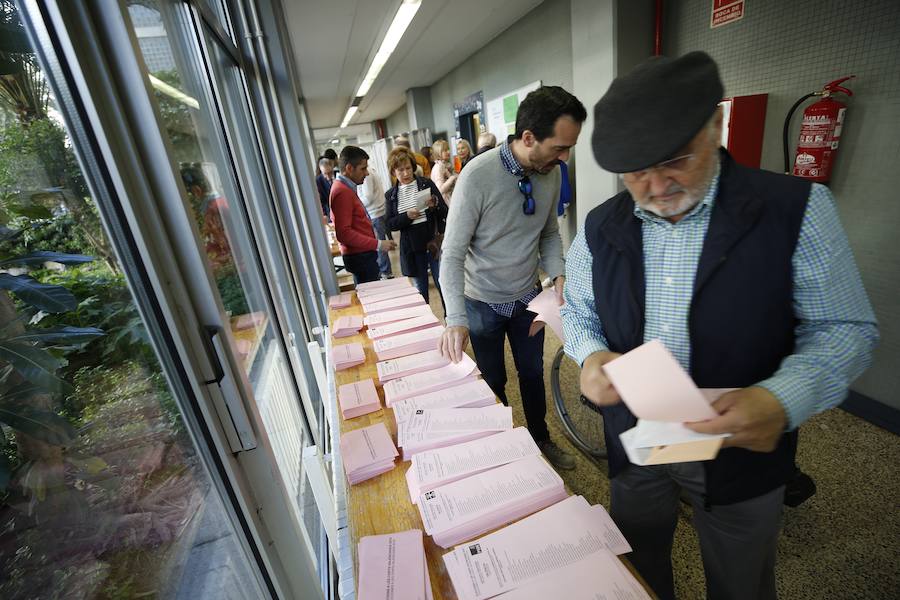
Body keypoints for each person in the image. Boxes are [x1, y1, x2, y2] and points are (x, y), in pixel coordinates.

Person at [560, 52, 878, 600]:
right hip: (637, 439)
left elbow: (844, 327)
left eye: (676, 161)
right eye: (636, 171)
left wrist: (782, 400)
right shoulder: (600, 225)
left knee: (741, 580)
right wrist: (588, 355)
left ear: (716, 125)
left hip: (739, 451)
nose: (656, 185)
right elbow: (578, 311)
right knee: (639, 561)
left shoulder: (794, 209)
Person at [439, 85, 587, 471]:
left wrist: (558, 271)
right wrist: (454, 318)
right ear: (528, 138)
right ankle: (504, 453)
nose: (565, 156)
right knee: (493, 381)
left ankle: (540, 439)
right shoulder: (476, 176)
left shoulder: (551, 173)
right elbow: (451, 254)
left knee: (532, 373)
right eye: (559, 147)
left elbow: (549, 233)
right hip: (481, 301)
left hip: (527, 300)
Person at [385, 147, 447, 305]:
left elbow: (444, 211)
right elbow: (390, 224)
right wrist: (406, 217)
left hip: (433, 244)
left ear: (413, 167)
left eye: (408, 168)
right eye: (400, 170)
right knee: (421, 291)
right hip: (412, 248)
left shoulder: (426, 184)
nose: (405, 174)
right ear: (393, 172)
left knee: (444, 285)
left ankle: (450, 321)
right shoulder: (392, 195)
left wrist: (434, 206)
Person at [329, 146, 396, 284]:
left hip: (362, 255)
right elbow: (344, 233)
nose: (366, 173)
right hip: (360, 257)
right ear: (349, 168)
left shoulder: (345, 188)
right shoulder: (342, 192)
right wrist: (378, 244)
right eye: (363, 169)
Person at [357, 169, 393, 280]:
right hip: (377, 212)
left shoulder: (367, 176)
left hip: (375, 213)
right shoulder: (372, 172)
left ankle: (385, 272)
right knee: (379, 242)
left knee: (378, 244)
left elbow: (368, 197)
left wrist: (356, 204)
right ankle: (386, 271)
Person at [430, 140, 458, 204]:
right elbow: (440, 190)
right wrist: (452, 178)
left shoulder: (445, 165)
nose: (448, 152)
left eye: (448, 149)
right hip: (446, 203)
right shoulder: (438, 167)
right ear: (438, 153)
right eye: (445, 150)